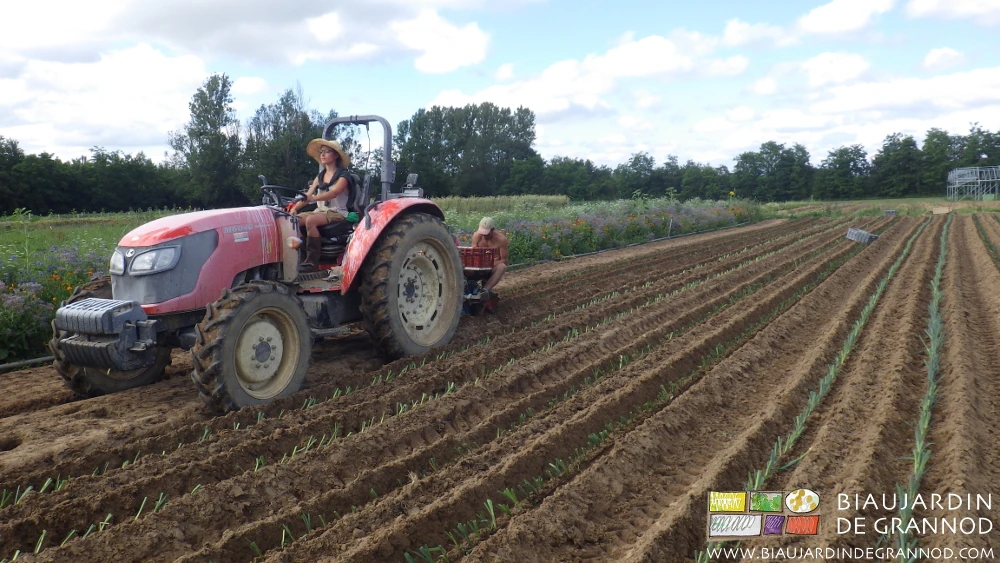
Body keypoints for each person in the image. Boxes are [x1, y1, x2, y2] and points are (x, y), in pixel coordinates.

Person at [290, 139, 352, 272]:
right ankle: (300, 259)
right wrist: (295, 209)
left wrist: (314, 198)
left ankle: (312, 262)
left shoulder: (344, 176)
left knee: (311, 221)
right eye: (321, 152)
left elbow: (334, 193)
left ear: (336, 155)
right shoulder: (319, 177)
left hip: (337, 212)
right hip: (320, 211)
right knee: (293, 221)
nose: (322, 155)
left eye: (326, 151)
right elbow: (307, 197)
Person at [471, 216, 508, 295]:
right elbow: (473, 253)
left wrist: (490, 265)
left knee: (502, 267)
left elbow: (504, 260)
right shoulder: (477, 237)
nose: (484, 236)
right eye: (482, 233)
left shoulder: (501, 240)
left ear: (492, 230)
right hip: (478, 266)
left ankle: (485, 290)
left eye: (486, 233)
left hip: (492, 267)